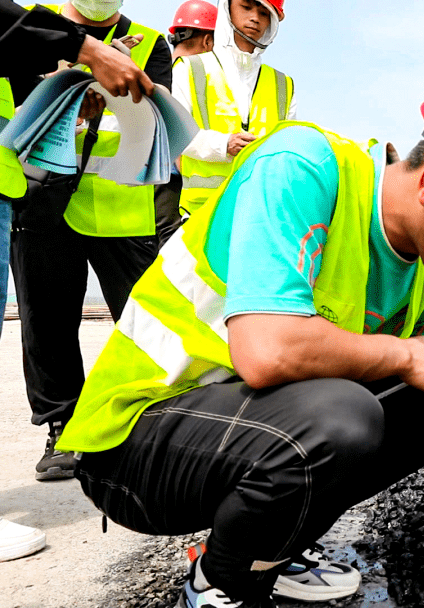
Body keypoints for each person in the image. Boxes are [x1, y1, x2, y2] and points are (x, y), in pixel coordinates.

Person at [53, 68, 424, 607]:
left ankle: (265, 550)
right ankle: (219, 584)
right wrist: (404, 354)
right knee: (344, 415)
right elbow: (266, 350)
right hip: (131, 446)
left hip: (233, 433)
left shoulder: (423, 268)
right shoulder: (302, 168)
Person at [0, 0, 153, 564]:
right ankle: (62, 429)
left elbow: (154, 115)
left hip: (118, 210)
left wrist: (104, 97)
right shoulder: (32, 26)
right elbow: (20, 102)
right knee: (46, 321)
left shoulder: (147, 41)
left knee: (142, 322)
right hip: (42, 202)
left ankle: (145, 422)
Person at [172, 0, 295, 216]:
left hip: (259, 217)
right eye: (246, 7)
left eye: (264, 13)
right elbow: (175, 133)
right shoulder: (189, 69)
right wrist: (223, 144)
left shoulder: (284, 85)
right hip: (201, 216)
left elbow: (289, 151)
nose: (255, 18)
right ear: (227, 7)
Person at [154, 0, 219, 248]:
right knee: (178, 254)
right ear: (207, 41)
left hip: (149, 186)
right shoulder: (189, 75)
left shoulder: (159, 70)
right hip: (176, 184)